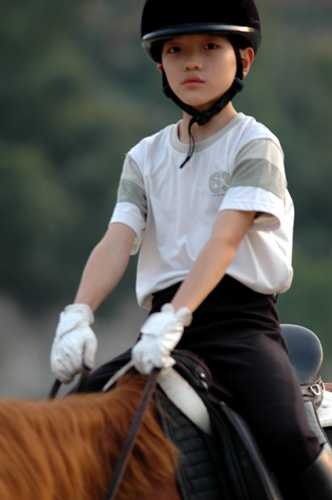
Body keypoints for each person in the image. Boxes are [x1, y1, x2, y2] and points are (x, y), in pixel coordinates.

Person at [50, 0, 332, 497]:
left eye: (210, 47)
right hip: (162, 331)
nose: (192, 62)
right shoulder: (144, 157)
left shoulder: (254, 143)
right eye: (176, 50)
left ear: (243, 59)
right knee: (72, 419)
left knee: (290, 438)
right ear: (160, 65)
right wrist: (78, 315)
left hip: (239, 330)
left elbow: (225, 240)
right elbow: (117, 241)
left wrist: (177, 315)